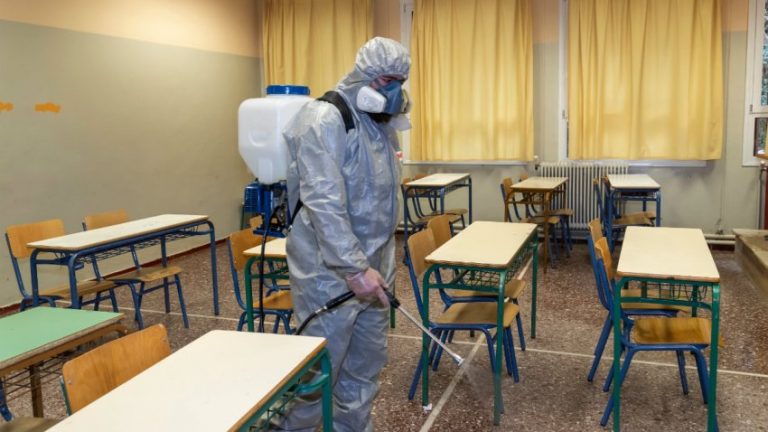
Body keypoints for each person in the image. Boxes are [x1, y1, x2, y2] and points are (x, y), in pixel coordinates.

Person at [278, 37, 411, 431]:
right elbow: (323, 202)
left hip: (374, 268)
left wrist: (376, 268)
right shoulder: (324, 118)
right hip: (329, 274)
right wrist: (353, 268)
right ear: (365, 75)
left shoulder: (380, 126)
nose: (394, 91)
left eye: (400, 81)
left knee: (364, 367)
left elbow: (379, 203)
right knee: (316, 377)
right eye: (387, 80)